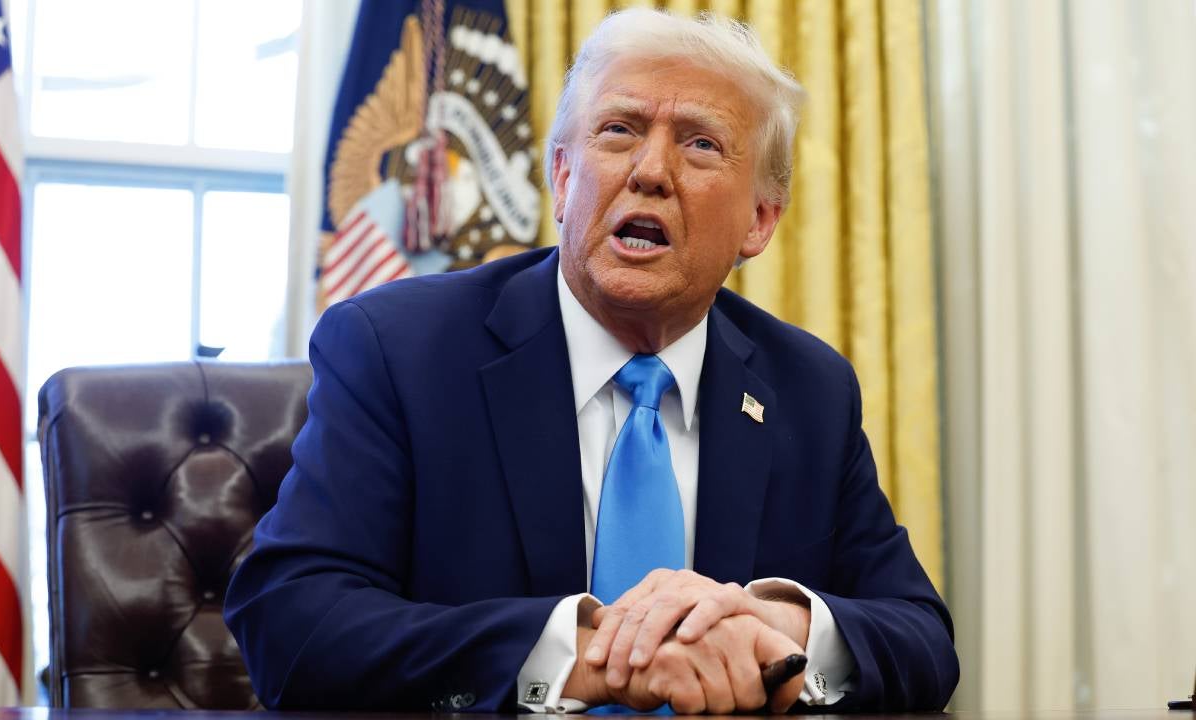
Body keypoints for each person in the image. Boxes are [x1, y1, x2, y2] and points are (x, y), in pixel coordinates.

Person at [225, 8, 958, 714]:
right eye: (619, 130)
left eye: (701, 144)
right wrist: (590, 655)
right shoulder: (399, 350)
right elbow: (291, 619)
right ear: (564, 177)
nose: (650, 171)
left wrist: (777, 630)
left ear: (760, 220)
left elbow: (923, 636)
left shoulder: (809, 389)